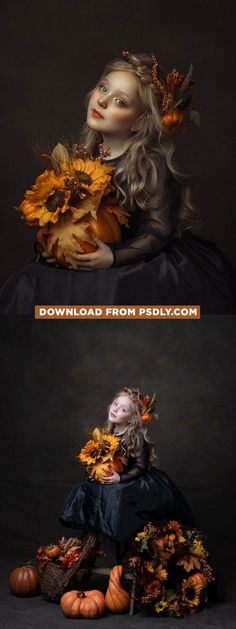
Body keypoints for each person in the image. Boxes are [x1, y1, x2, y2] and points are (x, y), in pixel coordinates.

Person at [0, 51, 235, 313]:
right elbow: (68, 217)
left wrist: (114, 256)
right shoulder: (83, 158)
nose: (102, 101)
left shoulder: (150, 164)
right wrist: (50, 247)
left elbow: (158, 230)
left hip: (141, 257)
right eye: (103, 88)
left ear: (138, 122)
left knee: (114, 293)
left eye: (120, 102)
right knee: (27, 285)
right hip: (92, 253)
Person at [59, 387, 195, 563]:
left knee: (117, 496)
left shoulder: (136, 438)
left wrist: (119, 478)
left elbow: (140, 467)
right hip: (113, 478)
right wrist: (94, 473)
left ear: (132, 418)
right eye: (115, 404)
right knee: (83, 489)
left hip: (135, 480)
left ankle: (120, 545)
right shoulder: (107, 433)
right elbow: (100, 460)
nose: (116, 409)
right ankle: (89, 535)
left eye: (124, 409)